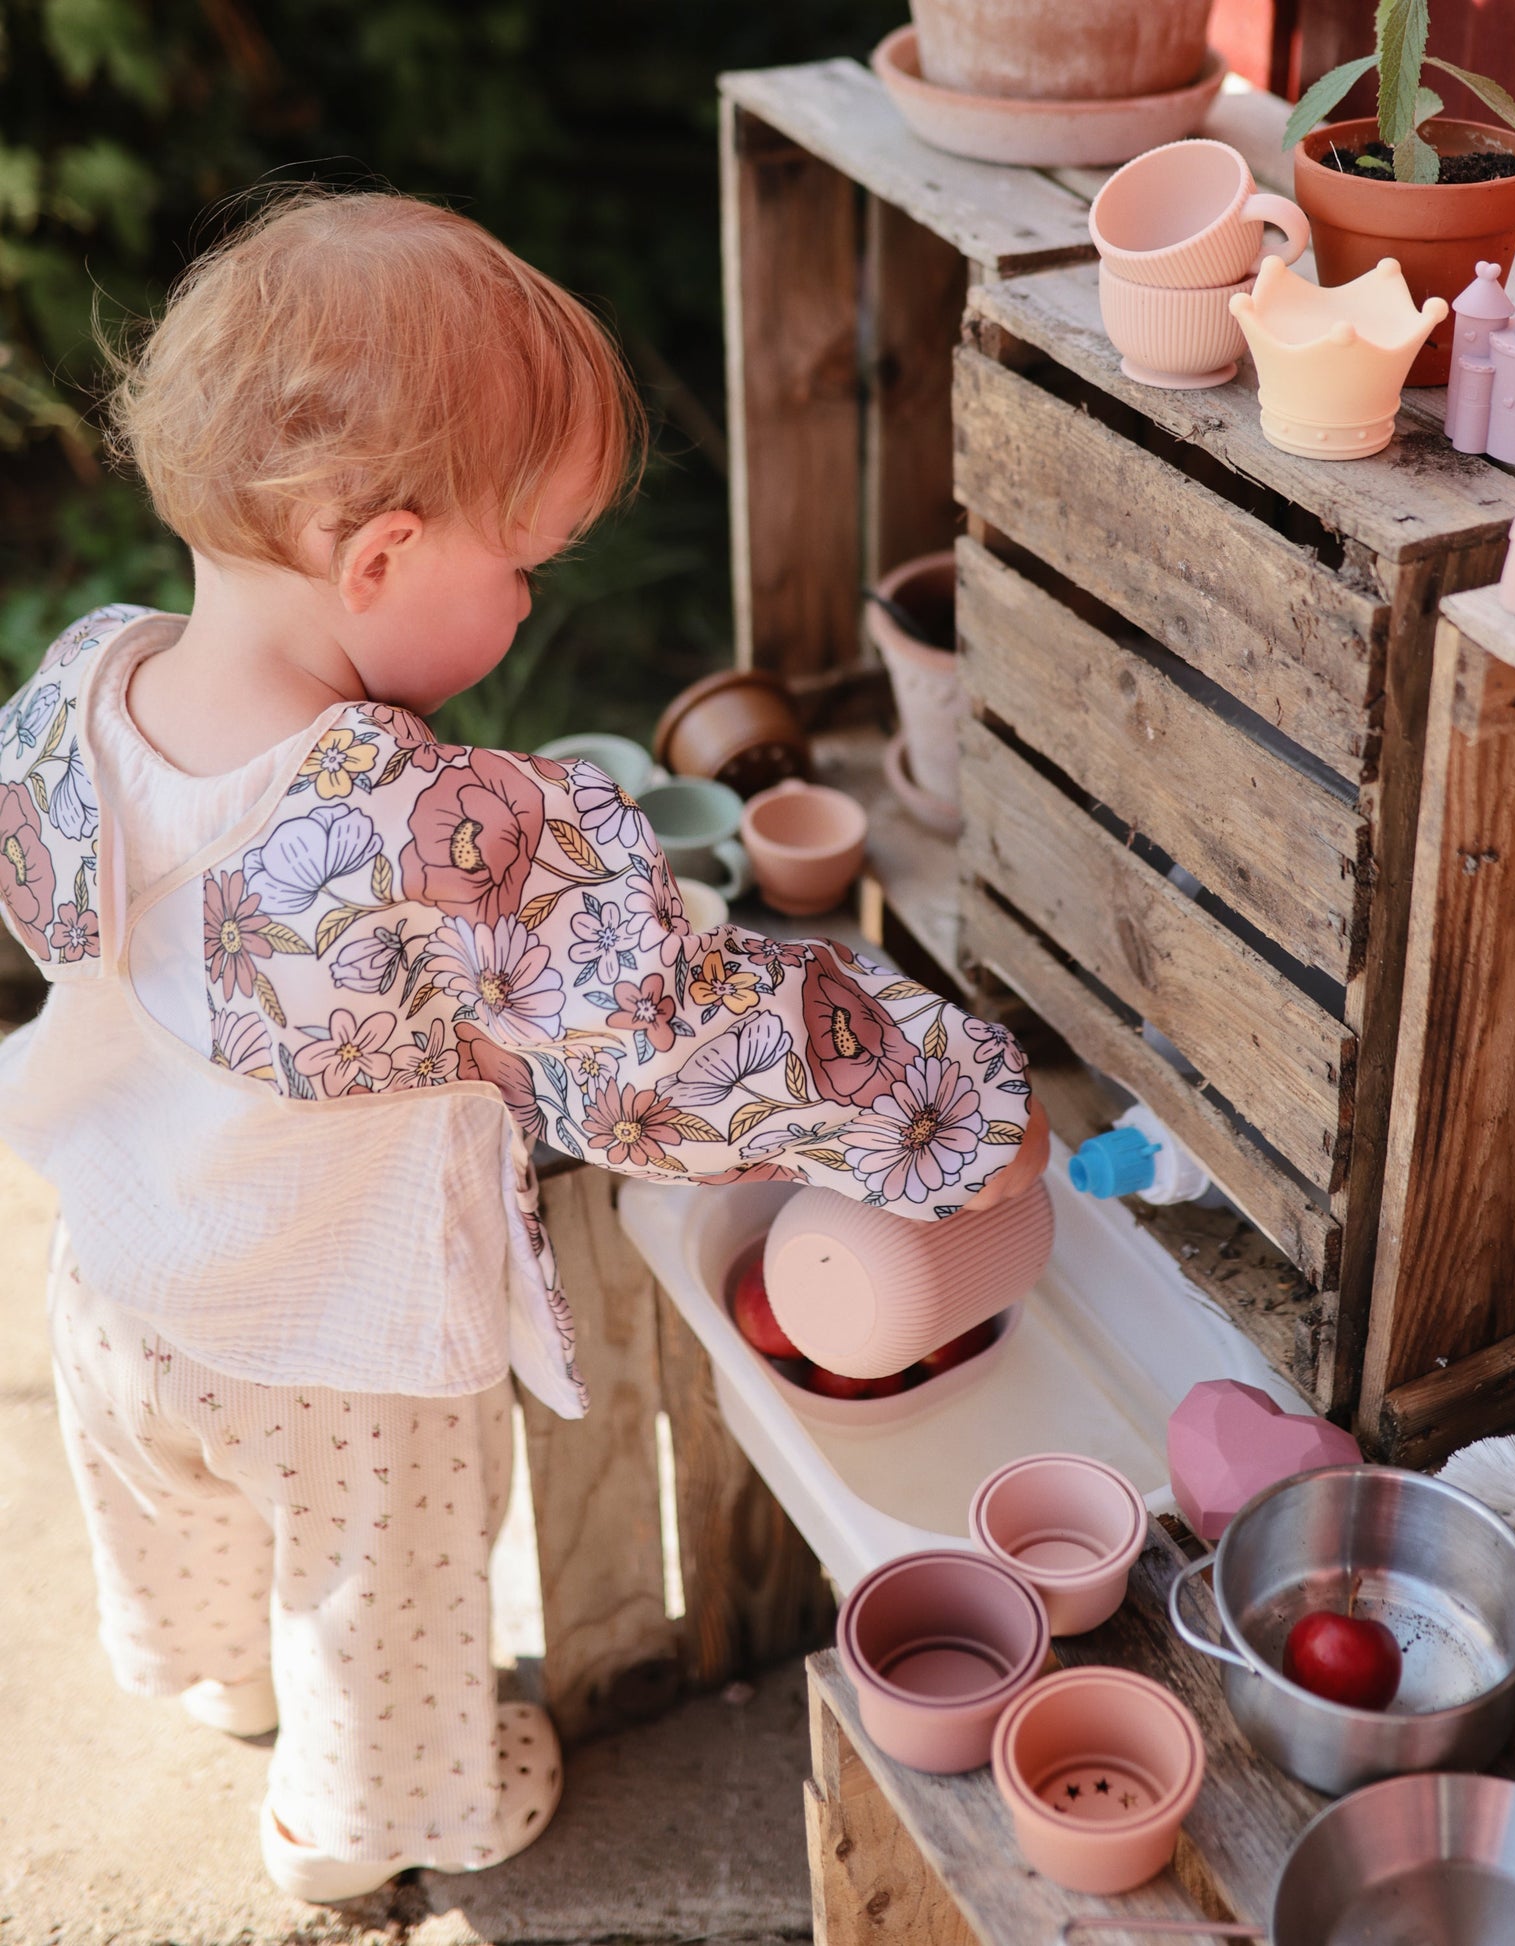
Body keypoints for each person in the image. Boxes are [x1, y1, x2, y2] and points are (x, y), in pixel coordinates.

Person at [0, 190, 1044, 1903]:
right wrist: (941, 1100)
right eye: (526, 564)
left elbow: (68, 909)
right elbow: (668, 1040)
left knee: (170, 1516)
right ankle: (375, 1821)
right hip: (338, 1346)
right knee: (381, 1588)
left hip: (117, 1268)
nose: (528, 602)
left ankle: (207, 1677)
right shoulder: (422, 827)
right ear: (382, 559)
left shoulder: (84, 683)